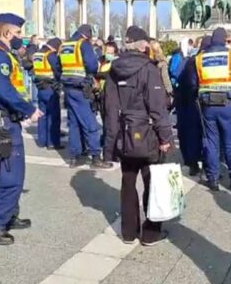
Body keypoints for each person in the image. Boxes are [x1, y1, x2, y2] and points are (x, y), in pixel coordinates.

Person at [103, 26, 172, 245]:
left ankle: (128, 232)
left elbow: (109, 109)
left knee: (128, 181)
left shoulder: (113, 69)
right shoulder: (149, 69)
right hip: (148, 132)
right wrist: (166, 138)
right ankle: (151, 233)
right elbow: (158, 108)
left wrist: (109, 145)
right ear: (143, 46)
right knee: (152, 182)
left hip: (124, 134)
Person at [0, 13, 42, 245]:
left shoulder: (5, 54)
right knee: (11, 175)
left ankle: (8, 215)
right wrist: (28, 109)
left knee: (0, 171)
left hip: (2, 119)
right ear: (7, 32)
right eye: (17, 33)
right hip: (1, 121)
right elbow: (4, 89)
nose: (20, 37)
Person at [189, 27, 231, 191]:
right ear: (224, 40)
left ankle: (213, 179)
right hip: (228, 104)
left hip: (207, 105)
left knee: (211, 142)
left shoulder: (200, 58)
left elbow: (193, 82)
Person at [57, 24, 112, 169]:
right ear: (87, 35)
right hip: (81, 87)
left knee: (74, 123)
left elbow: (57, 66)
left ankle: (74, 157)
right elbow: (93, 65)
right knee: (90, 123)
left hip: (68, 87)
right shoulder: (84, 44)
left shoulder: (65, 45)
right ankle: (95, 157)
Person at [175, 37, 207, 177]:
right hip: (197, 102)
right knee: (205, 135)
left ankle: (191, 162)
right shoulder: (198, 61)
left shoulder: (190, 60)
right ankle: (205, 165)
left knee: (190, 134)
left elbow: (180, 77)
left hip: (187, 102)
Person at [32, 38, 63, 150]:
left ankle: (42, 141)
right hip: (50, 88)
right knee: (53, 116)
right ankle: (52, 142)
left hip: (40, 87)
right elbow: (57, 69)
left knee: (42, 115)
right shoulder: (50, 55)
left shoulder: (37, 54)